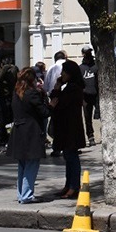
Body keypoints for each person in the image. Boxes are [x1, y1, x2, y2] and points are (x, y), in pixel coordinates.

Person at [7, 67, 50, 203]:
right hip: (31, 132)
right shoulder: (31, 93)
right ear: (32, 80)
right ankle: (26, 195)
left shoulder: (16, 93)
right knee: (32, 164)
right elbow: (44, 112)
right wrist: (49, 102)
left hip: (19, 131)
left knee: (22, 165)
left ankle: (21, 194)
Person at [48, 59, 87, 199]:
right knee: (68, 156)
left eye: (64, 72)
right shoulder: (69, 87)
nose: (62, 74)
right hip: (65, 127)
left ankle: (73, 186)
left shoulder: (74, 88)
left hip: (71, 128)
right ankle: (68, 184)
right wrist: (58, 86)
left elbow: (59, 104)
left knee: (71, 156)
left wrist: (57, 90)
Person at [81, 47, 98, 146]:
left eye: (89, 53)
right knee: (88, 118)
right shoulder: (80, 68)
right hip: (85, 96)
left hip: (97, 95)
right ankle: (90, 136)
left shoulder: (96, 66)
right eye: (87, 53)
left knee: (102, 115)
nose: (89, 55)